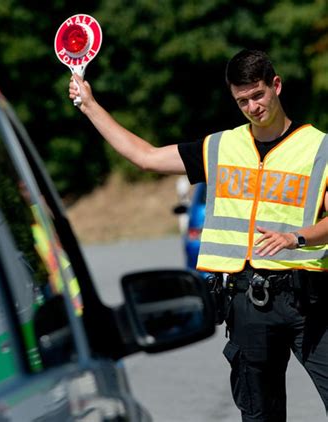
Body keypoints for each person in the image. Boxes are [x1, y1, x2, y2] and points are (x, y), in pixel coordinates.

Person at [68, 49, 328, 421]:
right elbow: (146, 157)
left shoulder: (318, 148)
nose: (253, 107)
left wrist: (297, 237)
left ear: (276, 85)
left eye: (258, 95)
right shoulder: (221, 147)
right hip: (247, 301)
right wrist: (90, 105)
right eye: (243, 101)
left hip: (309, 303)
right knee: (259, 416)